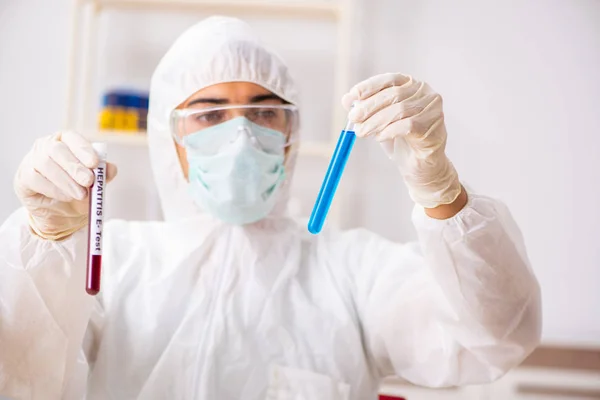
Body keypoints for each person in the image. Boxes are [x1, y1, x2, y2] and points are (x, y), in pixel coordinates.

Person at [0, 16, 541, 400]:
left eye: (264, 112)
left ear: (290, 133)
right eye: (209, 115)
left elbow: (493, 338)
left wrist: (442, 192)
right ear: (169, 139)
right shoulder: (110, 264)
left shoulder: (352, 270)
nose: (241, 135)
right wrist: (45, 244)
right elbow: (22, 376)